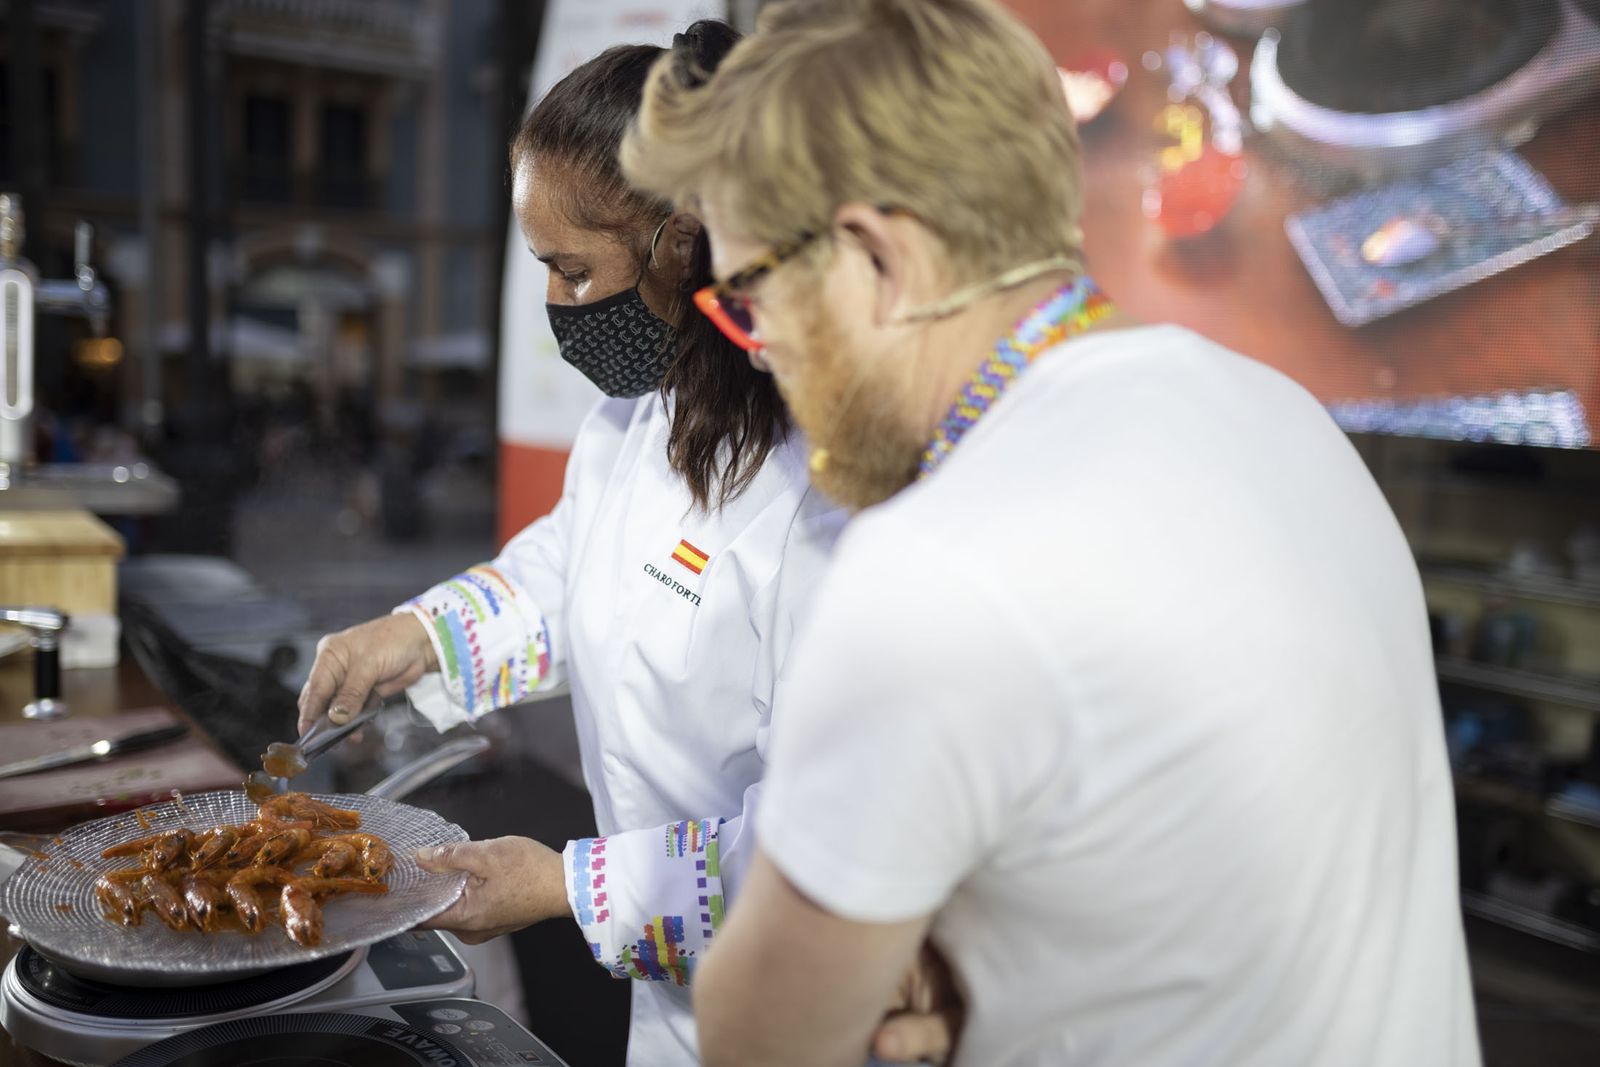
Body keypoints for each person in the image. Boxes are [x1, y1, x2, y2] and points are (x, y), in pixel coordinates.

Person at [621, 2, 1482, 1065]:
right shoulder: (1283, 415)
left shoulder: (943, 565)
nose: (759, 350)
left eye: (751, 293)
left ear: (876, 260)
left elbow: (761, 1042)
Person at [294, 23, 853, 1066]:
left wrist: (563, 884)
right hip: (673, 1003)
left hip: (809, 1013)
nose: (557, 304)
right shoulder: (633, 427)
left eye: (570, 268)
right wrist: (412, 634)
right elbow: (566, 578)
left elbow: (825, 841)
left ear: (684, 240)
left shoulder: (821, 493)